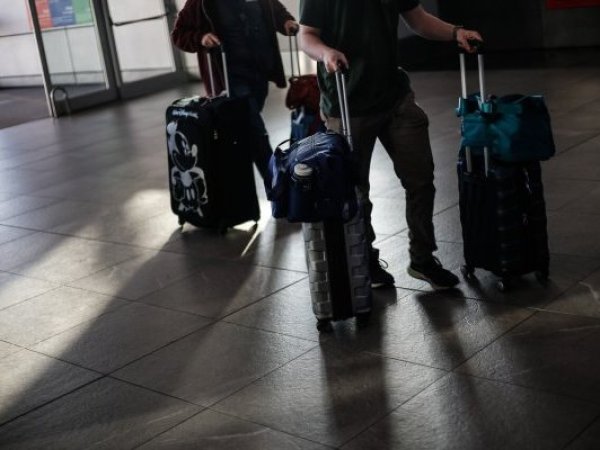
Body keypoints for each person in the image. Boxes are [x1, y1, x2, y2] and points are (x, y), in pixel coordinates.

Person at [298, 0, 482, 290]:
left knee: (421, 180)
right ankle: (365, 259)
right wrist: (326, 53)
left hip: (395, 98)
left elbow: (418, 19)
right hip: (347, 102)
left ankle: (422, 259)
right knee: (357, 192)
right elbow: (306, 35)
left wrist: (455, 32)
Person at [171, 0, 299, 181]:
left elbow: (275, 10)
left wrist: (285, 21)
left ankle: (240, 179)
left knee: (246, 130)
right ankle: (277, 182)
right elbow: (179, 34)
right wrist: (201, 37)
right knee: (255, 129)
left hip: (259, 73)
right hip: (229, 79)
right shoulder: (200, 2)